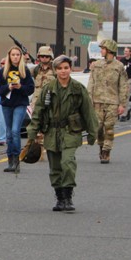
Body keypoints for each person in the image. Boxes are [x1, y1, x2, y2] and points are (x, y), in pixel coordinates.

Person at [27, 55, 98, 212]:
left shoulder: (78, 89)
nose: (63, 71)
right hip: (52, 132)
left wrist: (93, 132)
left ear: (70, 69)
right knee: (55, 167)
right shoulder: (48, 89)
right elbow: (38, 111)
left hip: (70, 132)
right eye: (59, 68)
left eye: (66, 68)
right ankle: (60, 198)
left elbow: (88, 111)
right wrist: (32, 132)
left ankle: (68, 196)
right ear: (55, 70)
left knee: (67, 162)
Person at [87, 39, 129, 163]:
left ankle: (106, 151)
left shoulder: (119, 66)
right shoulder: (96, 65)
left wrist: (122, 104)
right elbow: (91, 83)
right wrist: (89, 99)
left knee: (109, 128)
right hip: (97, 102)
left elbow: (123, 86)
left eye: (103, 48)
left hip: (112, 102)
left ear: (109, 50)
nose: (101, 51)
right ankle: (101, 146)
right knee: (98, 128)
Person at [0, 46, 35, 173]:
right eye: (13, 55)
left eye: (18, 55)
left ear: (21, 57)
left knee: (15, 131)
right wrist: (8, 87)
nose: (15, 57)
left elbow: (30, 89)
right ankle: (10, 160)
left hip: (20, 103)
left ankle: (17, 161)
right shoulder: (3, 71)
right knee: (8, 133)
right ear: (9, 56)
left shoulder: (25, 71)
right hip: (7, 104)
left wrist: (20, 87)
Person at [118, 47, 131, 121]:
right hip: (121, 80)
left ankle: (123, 115)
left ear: (130, 52)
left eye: (126, 51)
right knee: (119, 97)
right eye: (124, 51)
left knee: (126, 97)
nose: (125, 52)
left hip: (129, 80)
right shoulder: (122, 61)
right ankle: (126, 110)